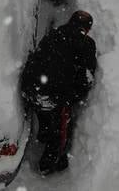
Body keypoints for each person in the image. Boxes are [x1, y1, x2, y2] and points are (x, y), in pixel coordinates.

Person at [21, 10, 97, 175]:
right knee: (61, 129)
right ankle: (49, 164)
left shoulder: (54, 34)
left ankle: (43, 132)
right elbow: (87, 78)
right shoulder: (87, 44)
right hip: (53, 94)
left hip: (30, 88)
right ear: (87, 29)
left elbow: (40, 58)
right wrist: (76, 96)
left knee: (45, 110)